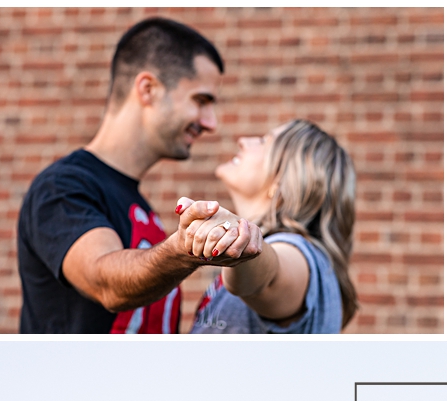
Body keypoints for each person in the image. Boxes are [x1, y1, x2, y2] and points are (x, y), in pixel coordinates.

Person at [16, 17, 263, 333]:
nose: (210, 122)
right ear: (148, 89)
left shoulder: (138, 204)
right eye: (200, 100)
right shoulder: (61, 187)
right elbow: (107, 283)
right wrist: (183, 249)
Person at [186, 120, 356, 332]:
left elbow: (267, 277)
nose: (243, 141)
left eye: (264, 142)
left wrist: (238, 240)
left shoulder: (298, 255)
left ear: (282, 179)